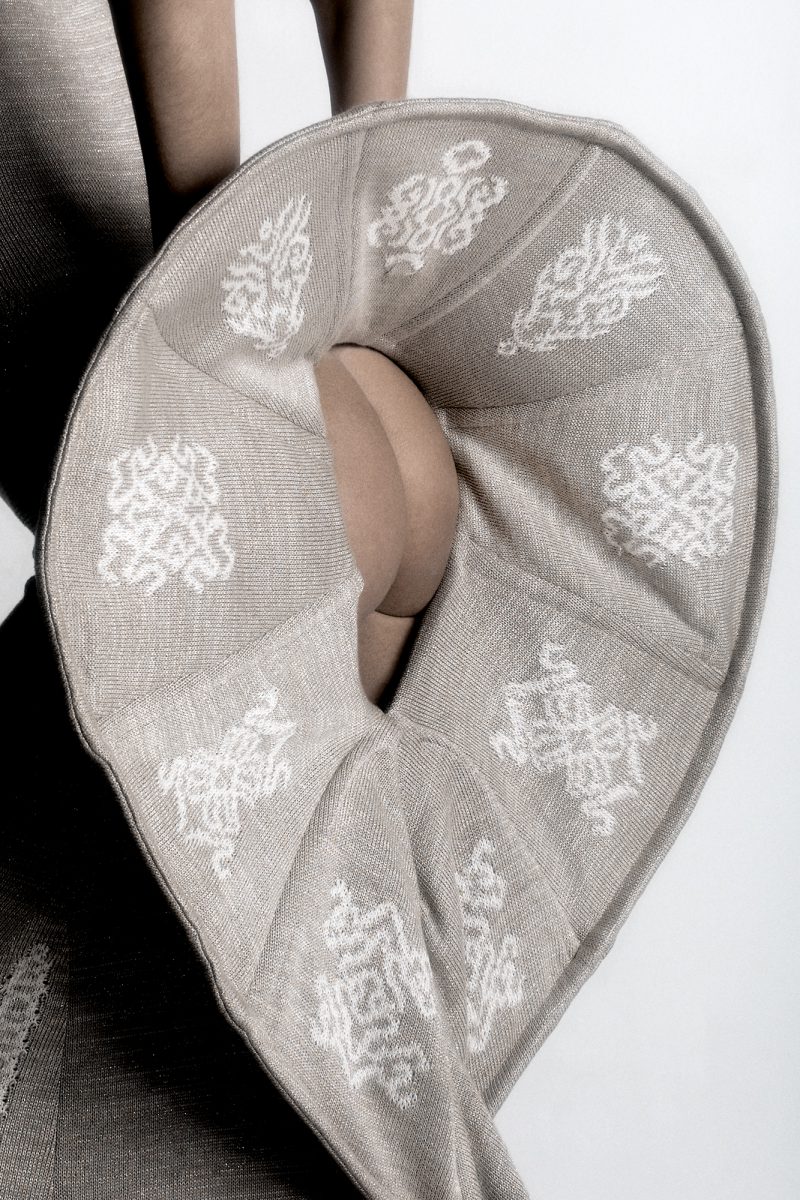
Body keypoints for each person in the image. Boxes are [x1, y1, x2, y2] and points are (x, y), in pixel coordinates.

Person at [107, 0, 461, 710]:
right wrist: (363, 259)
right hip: (385, 424)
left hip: (182, 346)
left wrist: (209, 308)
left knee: (119, 695)